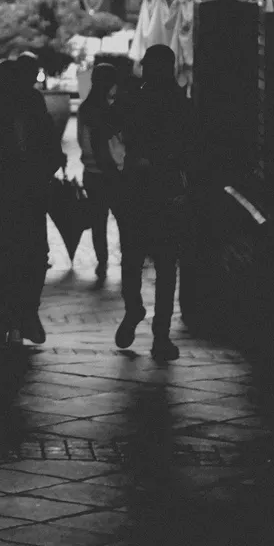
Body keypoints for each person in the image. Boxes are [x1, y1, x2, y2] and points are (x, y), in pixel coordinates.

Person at [0, 57, 62, 347]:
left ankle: (6, 320)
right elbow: (53, 155)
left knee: (4, 260)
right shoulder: (37, 116)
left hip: (3, 199)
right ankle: (24, 316)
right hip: (30, 197)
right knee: (33, 258)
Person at [115, 42, 192, 363]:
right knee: (165, 265)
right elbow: (191, 147)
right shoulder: (181, 103)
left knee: (132, 259)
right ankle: (161, 334)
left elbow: (114, 127)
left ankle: (134, 310)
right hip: (167, 192)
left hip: (136, 190)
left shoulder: (134, 99)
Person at [76, 57, 130, 285]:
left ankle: (102, 262)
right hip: (114, 173)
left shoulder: (85, 109)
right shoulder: (113, 109)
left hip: (91, 173)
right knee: (123, 219)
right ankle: (127, 259)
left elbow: (83, 141)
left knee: (98, 221)